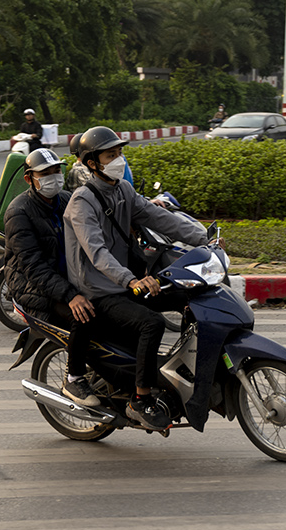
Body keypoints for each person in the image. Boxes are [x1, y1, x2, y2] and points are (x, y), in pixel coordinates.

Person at [64, 126, 207, 431]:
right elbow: (97, 253)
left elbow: (161, 219)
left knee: (188, 294)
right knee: (151, 323)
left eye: (120, 153)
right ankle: (140, 399)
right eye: (111, 155)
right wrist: (132, 281)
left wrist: (203, 237)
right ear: (92, 163)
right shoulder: (81, 202)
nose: (119, 159)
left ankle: (182, 369)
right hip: (98, 291)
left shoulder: (123, 190)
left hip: (121, 281)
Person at [4, 149, 98, 407]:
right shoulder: (19, 212)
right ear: (29, 178)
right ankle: (74, 378)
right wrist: (71, 296)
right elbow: (32, 266)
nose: (54, 177)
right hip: (34, 286)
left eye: (57, 171)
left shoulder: (68, 199)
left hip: (67, 277)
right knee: (85, 315)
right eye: (45, 173)